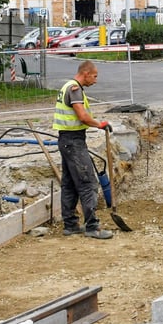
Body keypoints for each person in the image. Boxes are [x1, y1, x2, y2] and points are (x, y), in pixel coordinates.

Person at [53, 60, 113, 239]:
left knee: (70, 184)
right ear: (85, 73)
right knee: (88, 183)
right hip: (73, 142)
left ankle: (70, 225)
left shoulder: (68, 87)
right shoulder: (74, 89)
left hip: (67, 140)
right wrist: (100, 124)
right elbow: (83, 116)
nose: (95, 80)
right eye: (94, 76)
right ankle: (92, 227)